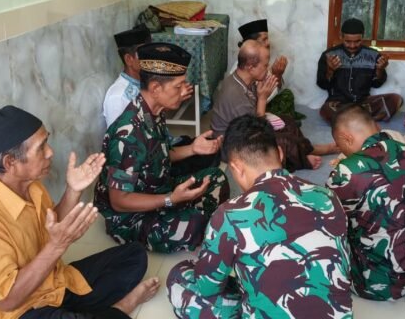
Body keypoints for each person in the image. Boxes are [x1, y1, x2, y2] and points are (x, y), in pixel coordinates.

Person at [0, 105, 159, 319]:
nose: (50, 152)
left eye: (46, 142)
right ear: (10, 162)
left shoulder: (32, 186)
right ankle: (122, 307)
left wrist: (73, 190)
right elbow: (8, 300)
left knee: (135, 256)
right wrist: (57, 245)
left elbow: (53, 223)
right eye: (41, 147)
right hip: (21, 312)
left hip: (52, 286)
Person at [167, 115, 353, 318]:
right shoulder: (327, 196)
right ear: (280, 153)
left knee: (181, 275)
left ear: (236, 168)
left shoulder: (229, 215)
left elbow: (207, 288)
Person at [94, 42, 230, 253]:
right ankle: (199, 220)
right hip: (130, 217)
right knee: (192, 225)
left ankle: (200, 219)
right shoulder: (128, 134)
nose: (183, 91)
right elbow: (119, 201)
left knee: (216, 177)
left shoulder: (153, 112)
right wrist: (170, 200)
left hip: (159, 188)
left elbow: (160, 154)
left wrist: (194, 149)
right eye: (178, 86)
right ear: (156, 88)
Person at [325, 104, 405, 301]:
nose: (342, 151)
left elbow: (329, 223)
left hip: (372, 285)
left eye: (339, 146)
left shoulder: (346, 171)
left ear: (346, 138)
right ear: (376, 127)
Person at [211, 40, 338, 170]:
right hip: (234, 148)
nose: (268, 69)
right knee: (283, 141)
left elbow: (253, 115)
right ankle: (303, 159)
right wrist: (262, 99)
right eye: (265, 65)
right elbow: (257, 132)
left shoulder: (243, 79)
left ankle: (307, 150)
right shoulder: (235, 94)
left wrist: (262, 94)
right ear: (250, 67)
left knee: (287, 121)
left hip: (246, 131)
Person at [104, 25, 194, 128]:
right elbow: (120, 135)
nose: (151, 58)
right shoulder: (118, 97)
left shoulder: (146, 83)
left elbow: (151, 125)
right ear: (129, 59)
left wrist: (171, 100)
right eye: (143, 54)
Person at [316, 18, 403, 124]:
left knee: (395, 99)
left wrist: (380, 70)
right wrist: (330, 71)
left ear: (362, 38)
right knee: (326, 109)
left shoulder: (373, 55)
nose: (352, 46)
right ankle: (363, 119)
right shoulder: (329, 55)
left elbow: (377, 84)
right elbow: (322, 85)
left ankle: (350, 119)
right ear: (341, 37)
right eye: (348, 41)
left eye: (357, 41)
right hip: (339, 104)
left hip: (363, 103)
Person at [237, 18, 304, 121]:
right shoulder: (245, 66)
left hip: (263, 101)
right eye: (264, 39)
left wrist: (278, 75)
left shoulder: (260, 58)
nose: (268, 43)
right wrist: (276, 75)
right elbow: (257, 98)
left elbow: (273, 89)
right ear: (253, 44)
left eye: (268, 39)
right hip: (253, 110)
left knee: (287, 95)